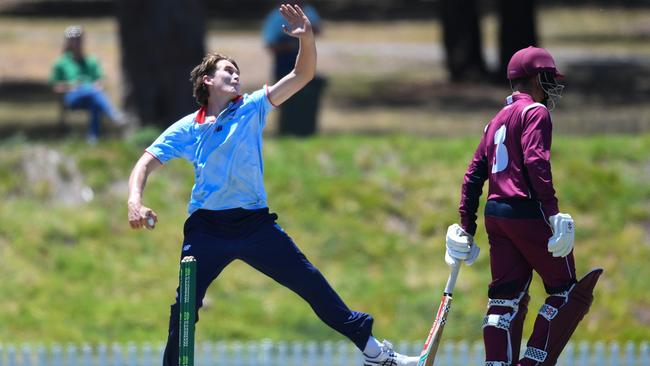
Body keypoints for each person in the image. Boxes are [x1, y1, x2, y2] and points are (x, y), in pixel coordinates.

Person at [127, 5, 418, 366]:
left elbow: (302, 74)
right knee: (184, 304)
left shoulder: (251, 107)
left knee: (311, 282)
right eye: (228, 72)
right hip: (207, 229)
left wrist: (306, 39)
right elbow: (145, 163)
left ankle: (375, 354)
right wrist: (134, 201)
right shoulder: (189, 127)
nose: (236, 76)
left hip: (255, 224)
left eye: (237, 71)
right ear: (207, 81)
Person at [445, 46, 602, 366]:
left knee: (504, 299)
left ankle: (496, 363)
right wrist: (553, 211)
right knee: (567, 294)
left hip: (496, 215)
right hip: (528, 212)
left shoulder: (495, 120)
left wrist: (467, 225)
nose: (551, 86)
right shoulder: (536, 113)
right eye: (547, 78)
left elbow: (474, 174)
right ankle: (533, 362)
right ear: (534, 79)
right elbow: (535, 162)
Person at [49, 25, 125, 144]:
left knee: (95, 103)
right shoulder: (61, 63)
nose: (76, 42)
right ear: (68, 42)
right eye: (73, 39)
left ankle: (93, 139)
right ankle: (113, 114)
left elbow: (99, 80)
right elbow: (56, 87)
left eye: (78, 39)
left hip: (91, 95)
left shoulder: (91, 61)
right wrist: (72, 86)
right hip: (73, 97)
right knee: (94, 92)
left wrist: (95, 85)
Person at [262, 0, 326, 136]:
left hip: (304, 64)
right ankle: (286, 132)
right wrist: (289, 46)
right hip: (284, 65)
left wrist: (307, 35)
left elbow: (318, 30)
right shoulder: (276, 16)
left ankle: (306, 131)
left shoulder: (308, 11)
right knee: (284, 100)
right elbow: (269, 44)